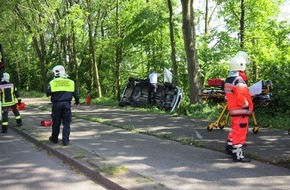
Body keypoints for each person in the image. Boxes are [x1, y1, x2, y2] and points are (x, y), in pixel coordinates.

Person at [224, 55, 253, 162]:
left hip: (234, 110)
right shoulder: (239, 80)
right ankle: (238, 155)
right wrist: (247, 106)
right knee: (240, 133)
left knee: (235, 131)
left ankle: (230, 148)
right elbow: (241, 97)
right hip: (241, 111)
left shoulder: (229, 79)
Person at [46, 65, 79, 146]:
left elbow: (47, 93)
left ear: (56, 72)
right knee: (66, 123)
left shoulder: (52, 82)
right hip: (67, 104)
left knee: (56, 123)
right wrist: (77, 102)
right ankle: (65, 141)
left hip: (56, 105)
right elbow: (76, 94)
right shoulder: (71, 82)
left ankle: (54, 139)